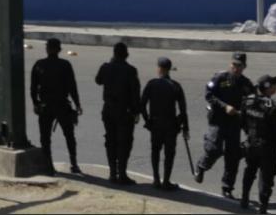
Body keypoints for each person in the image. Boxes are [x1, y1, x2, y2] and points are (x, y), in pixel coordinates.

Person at [194, 52, 255, 199]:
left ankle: (227, 187)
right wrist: (224, 106)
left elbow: (253, 101)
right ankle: (202, 166)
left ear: (244, 67)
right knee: (215, 149)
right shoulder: (220, 78)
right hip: (218, 120)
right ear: (230, 64)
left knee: (233, 156)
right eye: (234, 64)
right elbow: (209, 95)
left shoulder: (246, 84)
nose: (236, 68)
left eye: (239, 65)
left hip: (235, 123)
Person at [30, 38, 82, 175]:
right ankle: (74, 164)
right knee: (69, 136)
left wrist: (36, 103)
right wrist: (77, 104)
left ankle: (48, 166)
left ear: (47, 49)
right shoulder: (65, 65)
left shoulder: (39, 64)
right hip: (62, 105)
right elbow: (72, 87)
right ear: (59, 50)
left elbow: (33, 88)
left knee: (45, 138)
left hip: (46, 106)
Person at [240, 75, 276, 214]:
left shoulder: (247, 101)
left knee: (250, 170)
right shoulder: (273, 106)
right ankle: (263, 206)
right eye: (273, 85)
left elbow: (242, 122)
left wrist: (250, 135)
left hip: (251, 143)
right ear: (268, 88)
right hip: (268, 147)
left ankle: (244, 199)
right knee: (266, 176)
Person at [140, 57, 189, 191]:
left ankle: (156, 179)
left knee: (155, 151)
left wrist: (147, 121)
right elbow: (183, 109)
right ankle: (166, 181)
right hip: (171, 125)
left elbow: (142, 105)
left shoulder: (151, 84)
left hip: (155, 124)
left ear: (159, 69)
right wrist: (185, 128)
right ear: (168, 69)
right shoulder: (175, 86)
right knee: (169, 154)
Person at [95, 42, 140, 184]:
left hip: (108, 110)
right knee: (124, 142)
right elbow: (135, 93)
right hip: (124, 111)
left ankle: (112, 173)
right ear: (126, 55)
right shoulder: (130, 70)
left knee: (110, 141)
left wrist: (109, 65)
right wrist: (136, 112)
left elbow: (98, 80)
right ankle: (122, 173)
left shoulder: (106, 67)